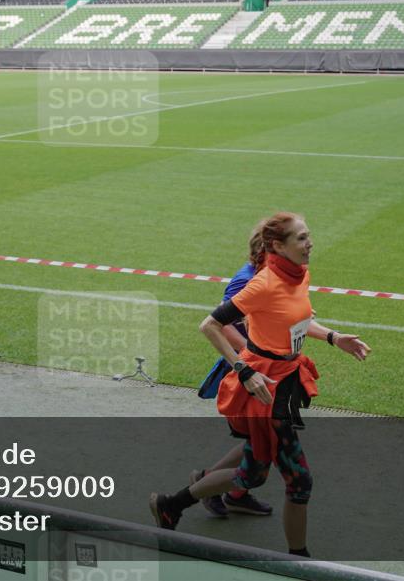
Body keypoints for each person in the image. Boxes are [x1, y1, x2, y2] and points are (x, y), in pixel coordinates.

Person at [150, 212, 371, 557]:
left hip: (284, 381)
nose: (309, 243)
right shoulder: (263, 283)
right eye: (300, 238)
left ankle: (173, 503)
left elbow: (297, 320)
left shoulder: (298, 275)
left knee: (253, 472)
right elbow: (209, 325)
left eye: (308, 235)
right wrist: (243, 370)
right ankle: (298, 559)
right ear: (277, 246)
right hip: (264, 386)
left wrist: (332, 336)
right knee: (297, 480)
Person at [193, 228, 273, 518]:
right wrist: (249, 355)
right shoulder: (244, 280)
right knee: (266, 437)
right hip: (248, 370)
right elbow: (220, 322)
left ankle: (231, 491)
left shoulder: (269, 276)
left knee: (265, 436)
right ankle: (204, 486)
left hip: (264, 367)